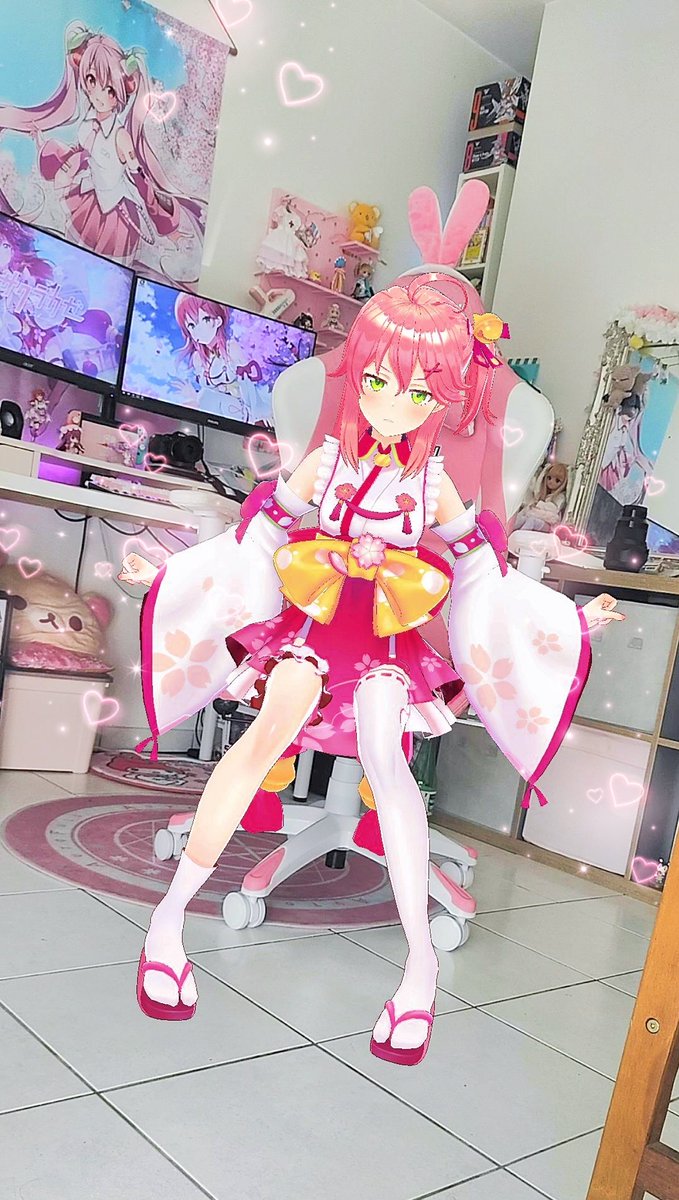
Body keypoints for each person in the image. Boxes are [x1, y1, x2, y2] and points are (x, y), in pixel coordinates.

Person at [120, 277, 623, 1065]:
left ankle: (418, 968)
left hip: (387, 641)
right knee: (263, 735)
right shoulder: (325, 462)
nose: (393, 403)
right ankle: (168, 920)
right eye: (379, 380)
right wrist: (172, 578)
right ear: (358, 374)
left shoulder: (432, 481)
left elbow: (481, 571)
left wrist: (557, 624)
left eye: (418, 391)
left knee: (388, 760)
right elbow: (257, 540)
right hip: (312, 626)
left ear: (442, 399)